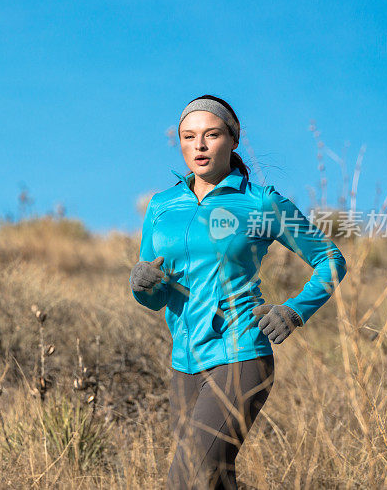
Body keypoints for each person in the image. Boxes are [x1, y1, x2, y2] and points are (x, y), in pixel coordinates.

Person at [129, 95, 347, 489]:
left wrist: (295, 310)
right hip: (185, 363)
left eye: (211, 135)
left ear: (233, 139)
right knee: (216, 481)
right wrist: (141, 285)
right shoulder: (161, 206)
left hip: (240, 353)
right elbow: (154, 294)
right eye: (188, 136)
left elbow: (330, 259)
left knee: (188, 478)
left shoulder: (260, 202)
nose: (198, 146)